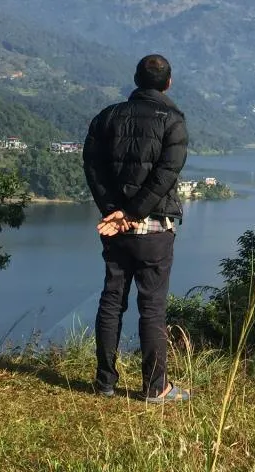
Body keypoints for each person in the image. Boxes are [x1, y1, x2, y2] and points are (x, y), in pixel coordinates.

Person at [83, 54, 190, 403]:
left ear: (136, 79)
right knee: (153, 307)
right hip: (156, 231)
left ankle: (104, 383)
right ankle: (155, 387)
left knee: (112, 300)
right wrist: (133, 212)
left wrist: (114, 211)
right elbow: (165, 175)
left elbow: (93, 166)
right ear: (168, 82)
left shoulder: (106, 117)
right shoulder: (173, 121)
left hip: (116, 230)